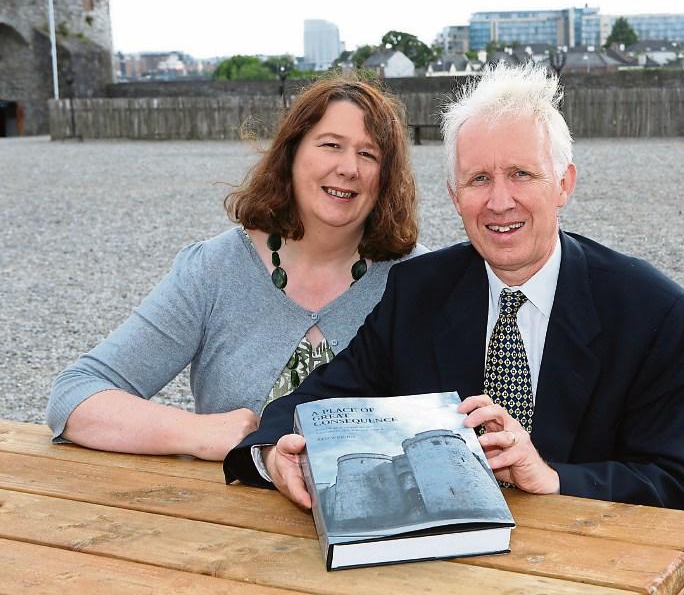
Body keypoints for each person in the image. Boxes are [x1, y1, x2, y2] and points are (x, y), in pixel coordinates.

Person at [223, 62, 684, 514]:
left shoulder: (652, 310)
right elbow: (321, 399)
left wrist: (552, 476)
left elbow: (678, 482)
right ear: (455, 196)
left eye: (522, 174)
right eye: (479, 179)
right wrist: (271, 452)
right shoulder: (418, 290)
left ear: (564, 184)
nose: (500, 201)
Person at [46, 74, 424, 461]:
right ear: (291, 154)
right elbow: (74, 395)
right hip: (223, 518)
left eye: (369, 154)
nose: (349, 168)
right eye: (331, 145)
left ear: (386, 177)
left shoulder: (422, 280)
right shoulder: (214, 270)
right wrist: (197, 433)